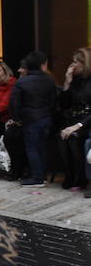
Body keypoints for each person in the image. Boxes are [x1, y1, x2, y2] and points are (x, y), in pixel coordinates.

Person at [9, 50, 57, 186]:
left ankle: (37, 178)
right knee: (42, 147)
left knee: (32, 148)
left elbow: (14, 103)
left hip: (30, 119)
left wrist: (17, 118)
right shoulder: (49, 80)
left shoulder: (22, 82)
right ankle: (43, 175)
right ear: (43, 64)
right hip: (46, 117)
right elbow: (53, 101)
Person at [56, 48, 91, 190]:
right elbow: (64, 105)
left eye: (76, 62)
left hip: (87, 121)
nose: (72, 65)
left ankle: (81, 178)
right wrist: (67, 83)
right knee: (61, 136)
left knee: (73, 137)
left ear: (85, 63)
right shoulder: (75, 80)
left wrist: (78, 125)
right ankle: (69, 175)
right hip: (73, 118)